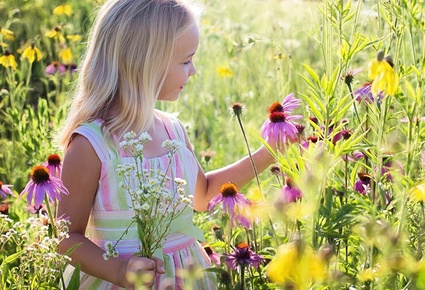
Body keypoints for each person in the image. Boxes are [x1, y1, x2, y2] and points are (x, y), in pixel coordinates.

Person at [56, 0, 276, 288]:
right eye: (186, 61)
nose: (194, 71)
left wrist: (269, 153)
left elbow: (203, 194)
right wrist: (120, 271)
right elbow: (66, 237)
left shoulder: (172, 130)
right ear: (145, 64)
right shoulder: (92, 145)